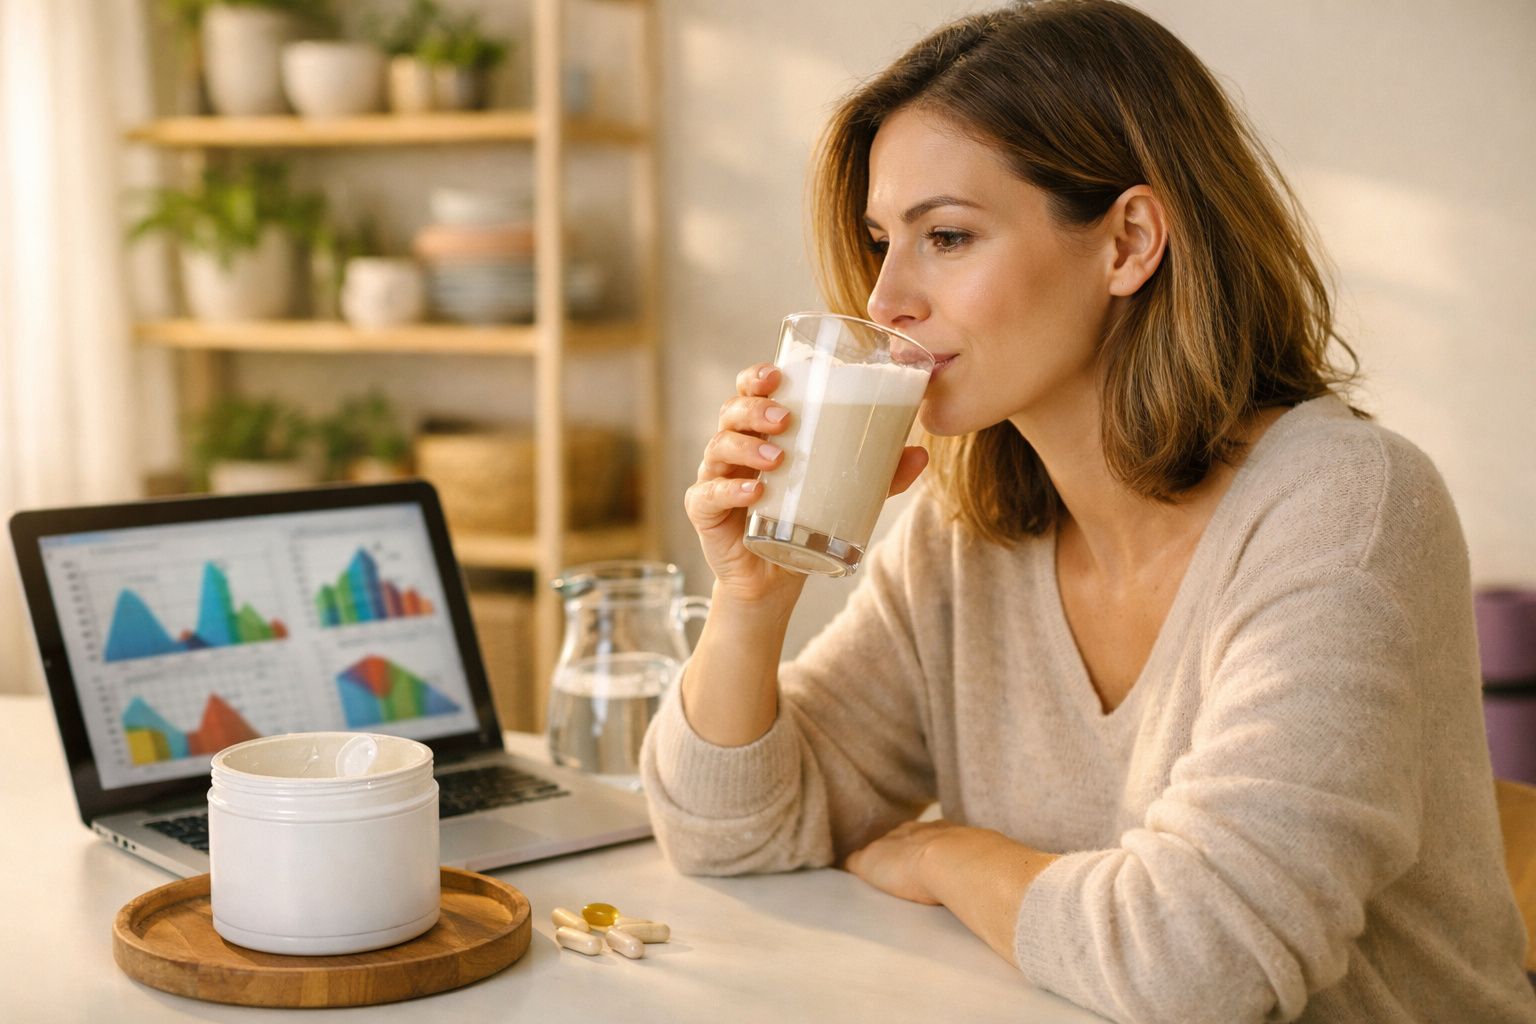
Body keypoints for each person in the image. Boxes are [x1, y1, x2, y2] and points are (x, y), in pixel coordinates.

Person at [641, 2, 1536, 1021]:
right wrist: (752, 599)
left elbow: (1200, 965)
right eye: (881, 240)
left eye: (945, 236)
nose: (885, 296)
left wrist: (949, 853)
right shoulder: (968, 531)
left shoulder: (1348, 509)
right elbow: (732, 833)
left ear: (1128, 242)